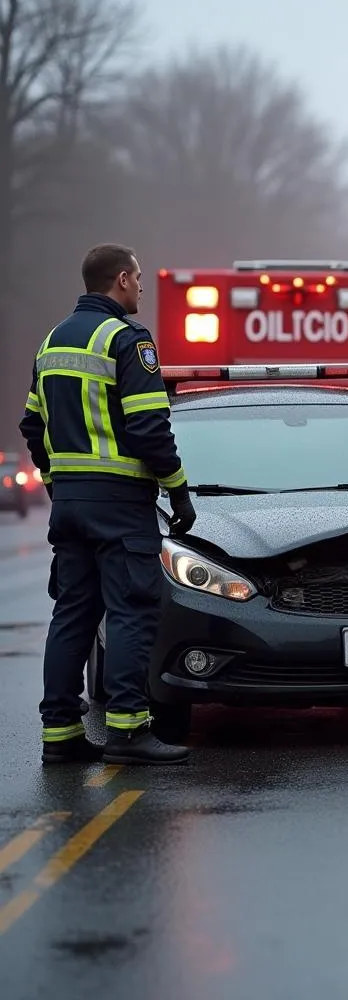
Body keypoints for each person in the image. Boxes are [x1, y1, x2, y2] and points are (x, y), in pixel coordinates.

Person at [19, 243, 196, 765]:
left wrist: (57, 481)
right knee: (130, 613)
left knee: (72, 614)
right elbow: (148, 427)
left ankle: (60, 734)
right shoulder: (127, 339)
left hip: (71, 504)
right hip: (120, 506)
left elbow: (33, 425)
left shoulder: (52, 342)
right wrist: (179, 488)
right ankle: (127, 731)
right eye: (138, 278)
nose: (142, 287)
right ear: (121, 279)